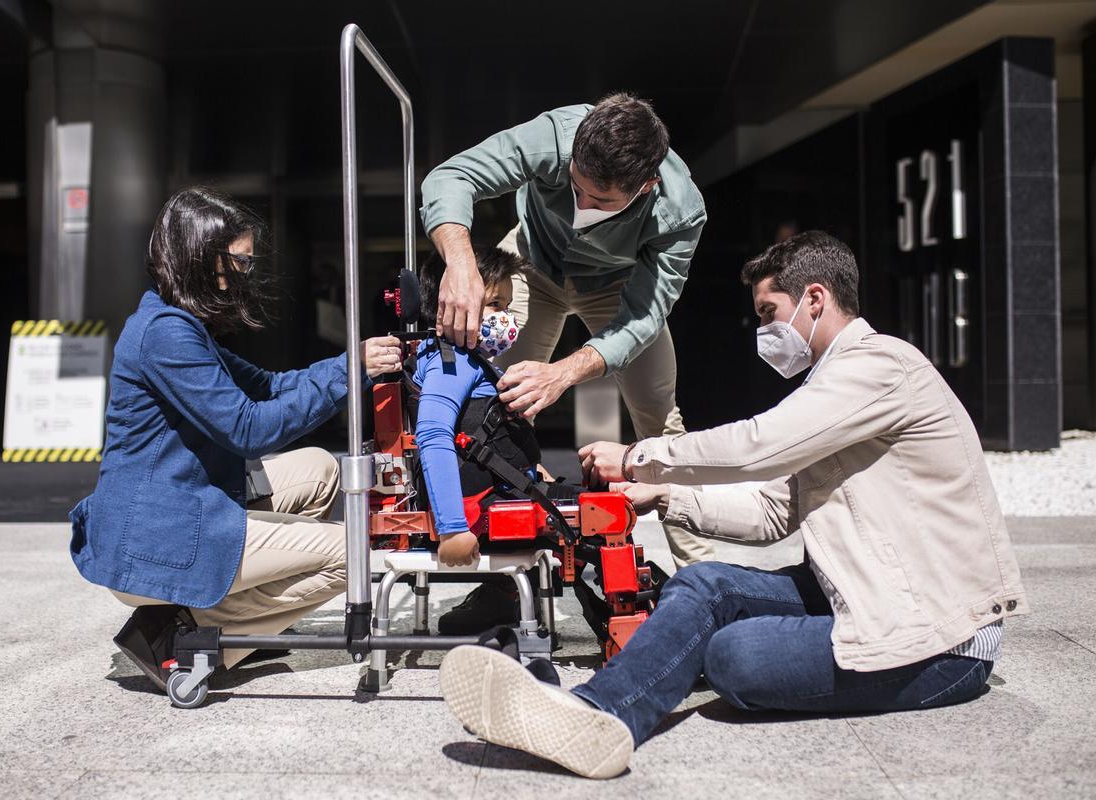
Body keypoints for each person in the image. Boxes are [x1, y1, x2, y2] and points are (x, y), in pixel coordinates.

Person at [437, 231, 1029, 779]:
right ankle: (596, 713)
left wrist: (643, 457)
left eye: (769, 313)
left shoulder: (881, 367)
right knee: (700, 587)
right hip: (863, 590)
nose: (763, 329)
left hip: (939, 639)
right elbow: (774, 511)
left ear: (815, 299)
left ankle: (597, 714)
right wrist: (666, 498)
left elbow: (760, 447)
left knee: (733, 656)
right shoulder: (833, 388)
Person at [67, 187, 403, 691]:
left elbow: (267, 386)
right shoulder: (166, 334)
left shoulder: (177, 322)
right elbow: (249, 428)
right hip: (157, 533)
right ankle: (188, 637)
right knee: (353, 552)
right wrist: (348, 373)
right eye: (240, 262)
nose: (247, 274)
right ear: (201, 257)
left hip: (178, 501)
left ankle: (218, 615)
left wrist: (349, 362)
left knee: (320, 469)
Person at [420, 92, 715, 569]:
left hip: (620, 287)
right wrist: (460, 263)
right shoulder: (556, 137)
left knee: (661, 423)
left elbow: (643, 318)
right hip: (531, 262)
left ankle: (702, 577)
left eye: (600, 200)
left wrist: (563, 373)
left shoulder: (680, 213)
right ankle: (506, 578)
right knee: (495, 409)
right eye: (575, 186)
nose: (580, 205)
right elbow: (451, 176)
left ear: (645, 187)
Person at [412, 247, 567, 633]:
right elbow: (432, 433)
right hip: (476, 510)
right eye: (494, 304)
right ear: (450, 304)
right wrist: (451, 529)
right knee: (604, 515)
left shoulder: (468, 358)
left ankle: (500, 597)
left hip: (497, 490)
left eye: (507, 306)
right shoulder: (451, 362)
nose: (505, 319)